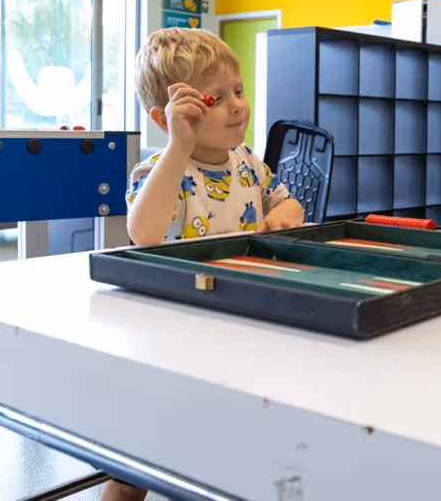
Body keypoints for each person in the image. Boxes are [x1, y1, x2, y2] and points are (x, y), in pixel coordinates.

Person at [104, 28, 305, 501]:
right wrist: (178, 146)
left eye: (238, 91)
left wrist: (280, 218)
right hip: (171, 333)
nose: (237, 105)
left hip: (237, 320)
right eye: (216, 99)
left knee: (227, 440)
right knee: (136, 459)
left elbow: (291, 205)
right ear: (166, 117)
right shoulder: (160, 170)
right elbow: (145, 233)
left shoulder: (248, 164)